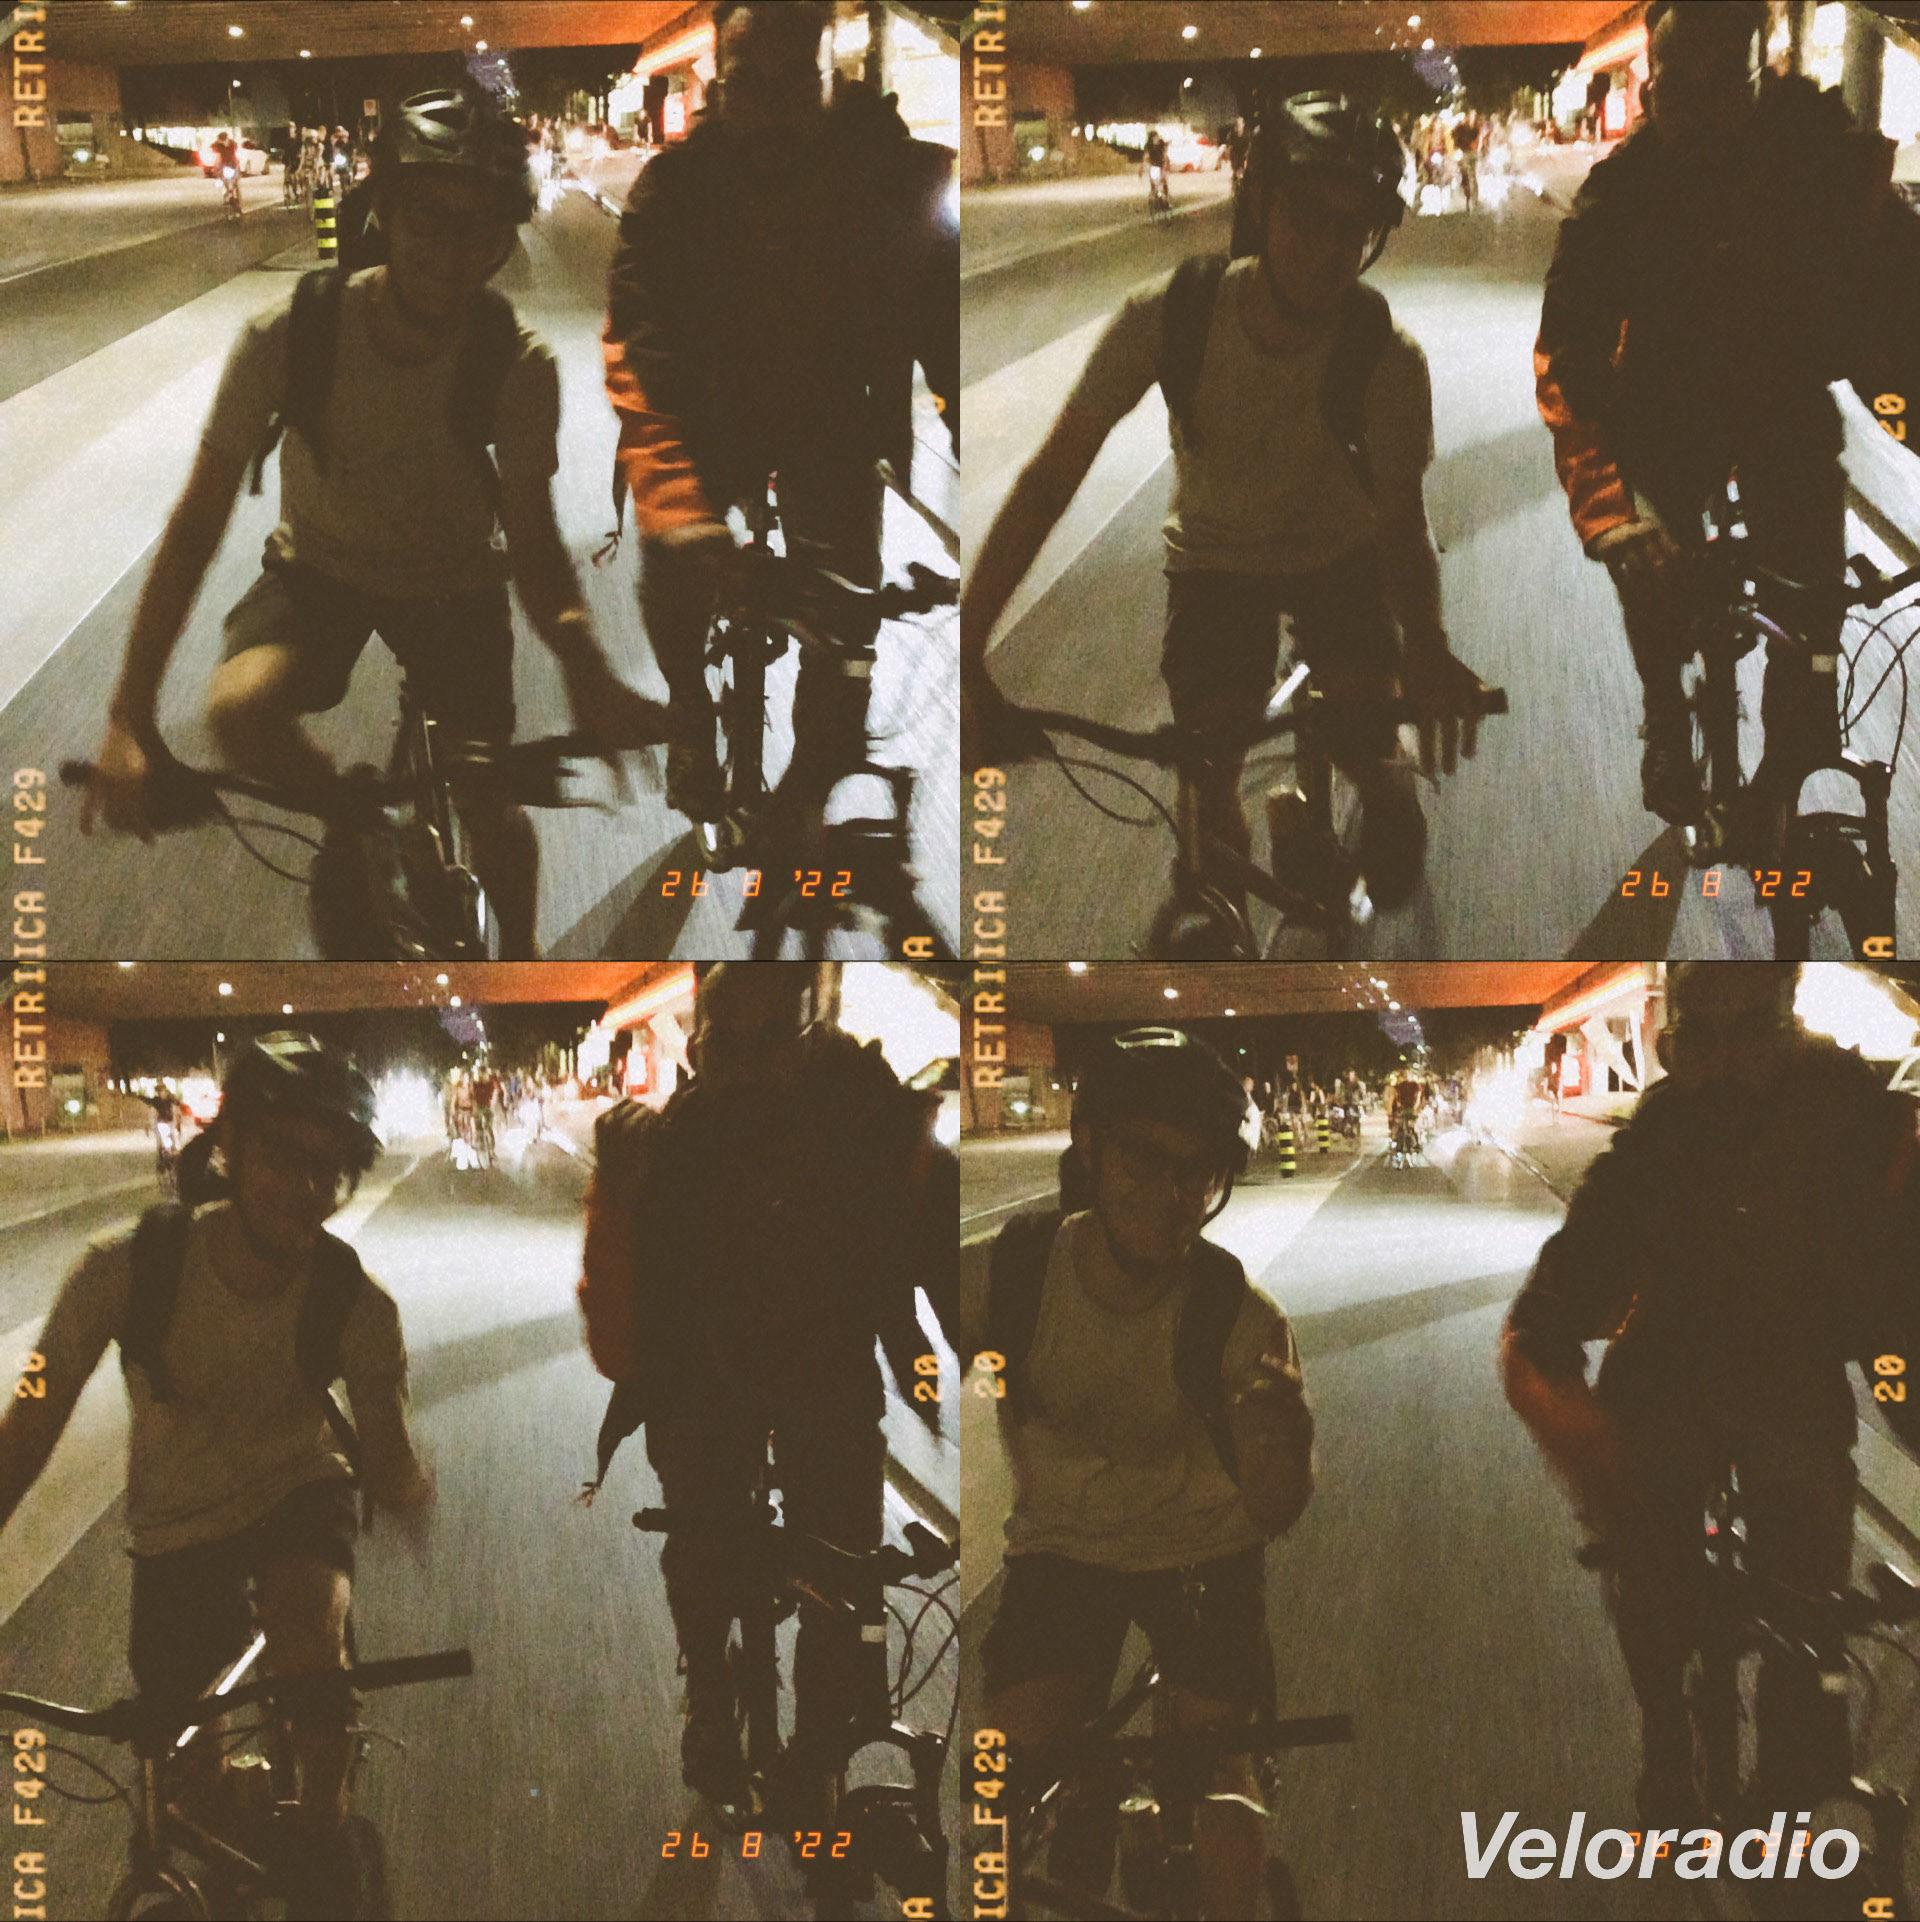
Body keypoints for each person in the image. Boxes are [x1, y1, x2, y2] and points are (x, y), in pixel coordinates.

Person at [79, 88, 665, 959]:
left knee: (491, 802)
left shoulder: (515, 364)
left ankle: (521, 967)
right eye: (429, 216)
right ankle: (360, 825)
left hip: (454, 584)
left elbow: (536, 546)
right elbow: (196, 526)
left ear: (504, 236)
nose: (454, 251)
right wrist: (130, 717)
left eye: (480, 226)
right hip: (318, 572)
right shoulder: (290, 335)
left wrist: (588, 668)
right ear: (384, 212)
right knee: (237, 714)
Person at [963, 92, 1492, 915]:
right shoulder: (1171, 317)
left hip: (1342, 561)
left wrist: (1425, 645)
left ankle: (1385, 787)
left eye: (1354, 228)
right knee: (1208, 780)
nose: (1330, 251)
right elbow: (1049, 480)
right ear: (1260, 205)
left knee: (1380, 785)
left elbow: (1401, 525)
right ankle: (1224, 913)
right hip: (1216, 566)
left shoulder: (1388, 358)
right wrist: (965, 643)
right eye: (1307, 218)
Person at [0, 1035, 432, 1910]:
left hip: (299, 1492)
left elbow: (385, 1453)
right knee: (183, 1774)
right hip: (175, 1524)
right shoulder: (122, 1271)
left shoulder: (357, 1305)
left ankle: (325, 1824)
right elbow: (31, 1418)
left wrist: (405, 1488)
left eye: (330, 1168)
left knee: (308, 1645)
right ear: (228, 1145)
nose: (307, 1188)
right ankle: (230, 1807)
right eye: (282, 1157)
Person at [1500, 962, 1920, 1826]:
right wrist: (1550, 1335)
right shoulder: (1660, 1133)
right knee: (1651, 1565)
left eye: (1751, 1031)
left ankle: (1795, 1773)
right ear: (1671, 1045)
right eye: (1700, 1038)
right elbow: (1588, 1249)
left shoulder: (1854, 1119)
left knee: (1810, 1597)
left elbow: (1899, 1269)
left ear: (1790, 1026)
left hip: (1793, 1377)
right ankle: (1665, 1727)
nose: (1725, 1061)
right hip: (1668, 1372)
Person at [576, 962, 957, 1816]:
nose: (747, 1068)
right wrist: (617, 1196)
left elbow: (943, 1262)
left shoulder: (871, 1122)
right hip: (704, 1372)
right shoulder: (666, 1147)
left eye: (771, 1041)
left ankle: (823, 1736)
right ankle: (711, 1692)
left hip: (825, 1364)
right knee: (704, 1538)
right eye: (726, 1045)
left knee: (847, 1567)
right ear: (697, 1048)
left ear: (812, 1036)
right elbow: (619, 1345)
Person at [1535, 0, 1920, 828]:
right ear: (1651, 90)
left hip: (1783, 404)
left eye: (1719, 90)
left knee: (1812, 594)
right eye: (1675, 89)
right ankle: (1665, 712)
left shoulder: (1824, 169)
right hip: (1664, 407)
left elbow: (1902, 317)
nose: (1696, 114)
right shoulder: (1621, 194)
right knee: (1652, 560)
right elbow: (1570, 354)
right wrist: (1612, 512)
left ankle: (1793, 752)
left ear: (1758, 82)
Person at [967, 1029, 1314, 1921]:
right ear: (1088, 1146)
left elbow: (1275, 1510)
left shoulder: (1241, 1319)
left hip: (1204, 1553)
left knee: (1220, 1777)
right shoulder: (1011, 1275)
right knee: (993, 1782)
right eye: (1142, 1159)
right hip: (1063, 1551)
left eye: (1196, 1172)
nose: (1170, 1197)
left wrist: (1284, 1453)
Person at [603, 0, 959, 831]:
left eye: (794, 84)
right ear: (718, 88)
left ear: (832, 80)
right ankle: (690, 711)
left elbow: (947, 344)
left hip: (835, 422)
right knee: (672, 562)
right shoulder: (674, 190)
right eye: (747, 86)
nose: (769, 110)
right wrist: (677, 507)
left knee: (847, 621)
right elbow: (640, 346)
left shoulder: (898, 182)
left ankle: (813, 776)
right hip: (708, 414)